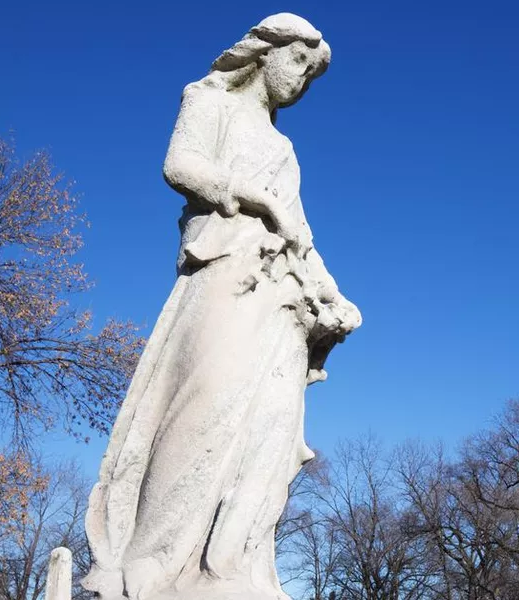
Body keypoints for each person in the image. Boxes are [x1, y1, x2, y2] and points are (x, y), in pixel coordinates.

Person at [83, 14, 360, 600]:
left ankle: (232, 567)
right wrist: (256, 198)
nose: (302, 80)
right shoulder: (208, 100)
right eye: (298, 62)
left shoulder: (284, 147)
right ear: (266, 51)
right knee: (200, 407)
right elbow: (180, 166)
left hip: (281, 300)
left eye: (312, 74)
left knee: (268, 430)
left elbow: (301, 233)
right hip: (223, 274)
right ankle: (153, 556)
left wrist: (333, 293)